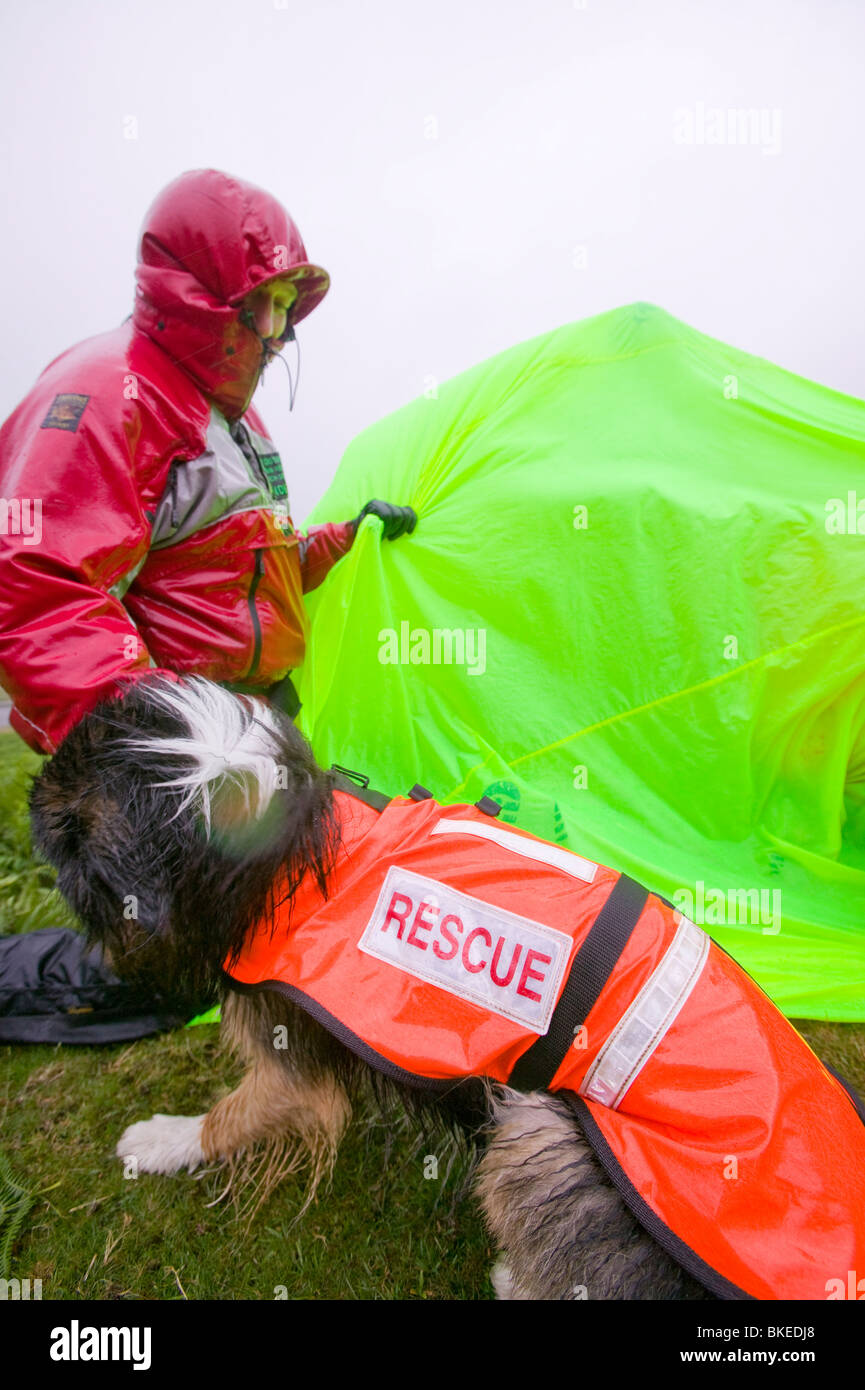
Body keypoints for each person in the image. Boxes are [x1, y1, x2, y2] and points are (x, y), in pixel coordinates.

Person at [0, 168, 415, 752]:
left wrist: (346, 537)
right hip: (182, 763)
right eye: (265, 304)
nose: (277, 336)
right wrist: (163, 747)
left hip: (250, 732)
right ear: (198, 296)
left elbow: (249, 564)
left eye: (287, 310)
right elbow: (37, 585)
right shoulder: (110, 393)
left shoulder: (239, 422)